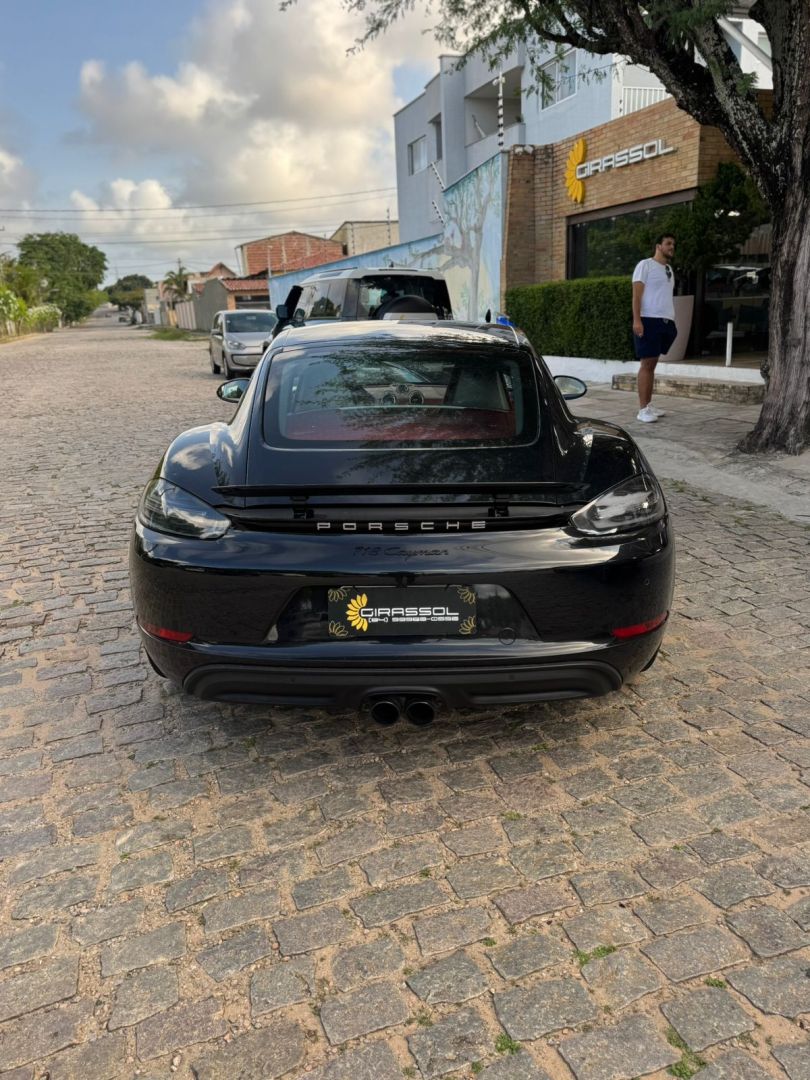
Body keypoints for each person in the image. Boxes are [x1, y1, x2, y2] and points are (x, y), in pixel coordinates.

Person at [632, 233, 677, 423]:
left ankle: (648, 405)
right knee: (647, 364)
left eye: (673, 244)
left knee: (652, 364)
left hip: (665, 321)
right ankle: (643, 410)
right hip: (648, 320)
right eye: (668, 243)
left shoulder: (668, 269)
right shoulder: (645, 265)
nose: (672, 247)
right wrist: (637, 320)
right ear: (658, 246)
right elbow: (636, 295)